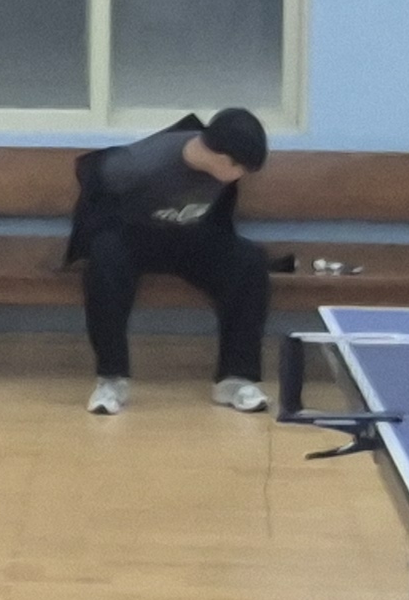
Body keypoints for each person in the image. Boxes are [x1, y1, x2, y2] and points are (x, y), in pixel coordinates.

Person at [69, 107, 273, 415]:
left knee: (249, 261)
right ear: (223, 159)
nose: (241, 176)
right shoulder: (136, 165)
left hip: (190, 238)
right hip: (134, 238)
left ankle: (235, 379)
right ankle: (111, 380)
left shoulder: (221, 169)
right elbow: (94, 201)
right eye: (241, 168)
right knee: (104, 258)